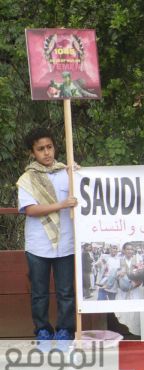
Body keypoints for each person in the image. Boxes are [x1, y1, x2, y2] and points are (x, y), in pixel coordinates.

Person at [16, 127, 77, 341]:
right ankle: (42, 329)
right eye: (41, 149)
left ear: (55, 147)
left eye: (49, 147)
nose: (46, 153)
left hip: (66, 243)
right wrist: (60, 204)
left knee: (66, 292)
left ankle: (65, 330)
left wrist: (78, 173)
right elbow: (30, 209)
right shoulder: (26, 179)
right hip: (38, 245)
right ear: (33, 152)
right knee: (39, 293)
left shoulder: (67, 173)